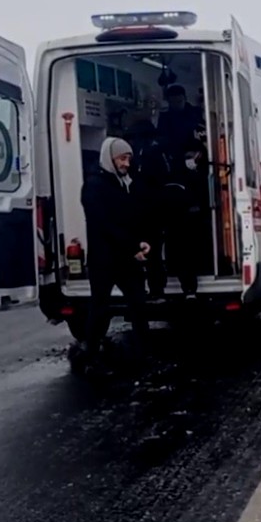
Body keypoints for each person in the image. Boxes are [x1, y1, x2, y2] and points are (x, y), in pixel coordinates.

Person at [80, 137, 151, 362]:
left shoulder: (123, 183)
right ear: (109, 159)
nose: (126, 163)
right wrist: (132, 247)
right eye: (122, 158)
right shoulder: (94, 186)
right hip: (105, 260)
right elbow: (104, 224)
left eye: (128, 158)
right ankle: (90, 352)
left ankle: (143, 352)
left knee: (138, 303)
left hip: (125, 257)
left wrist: (140, 241)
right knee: (99, 307)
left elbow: (129, 219)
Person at [127, 120, 173, 297]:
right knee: (146, 252)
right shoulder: (142, 155)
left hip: (151, 211)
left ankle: (155, 288)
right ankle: (152, 287)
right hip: (145, 211)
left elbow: (160, 180)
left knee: (150, 252)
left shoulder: (152, 155)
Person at [164, 138, 212, 298]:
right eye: (187, 156)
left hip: (195, 219)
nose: (189, 159)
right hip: (182, 219)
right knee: (183, 250)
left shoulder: (206, 172)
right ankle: (187, 283)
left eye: (192, 155)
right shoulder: (178, 174)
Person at [157, 84, 205, 156]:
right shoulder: (164, 118)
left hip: (196, 154)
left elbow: (203, 134)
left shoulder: (196, 113)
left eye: (179, 101)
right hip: (173, 156)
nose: (176, 105)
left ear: (185, 99)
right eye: (172, 102)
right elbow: (161, 140)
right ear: (168, 101)